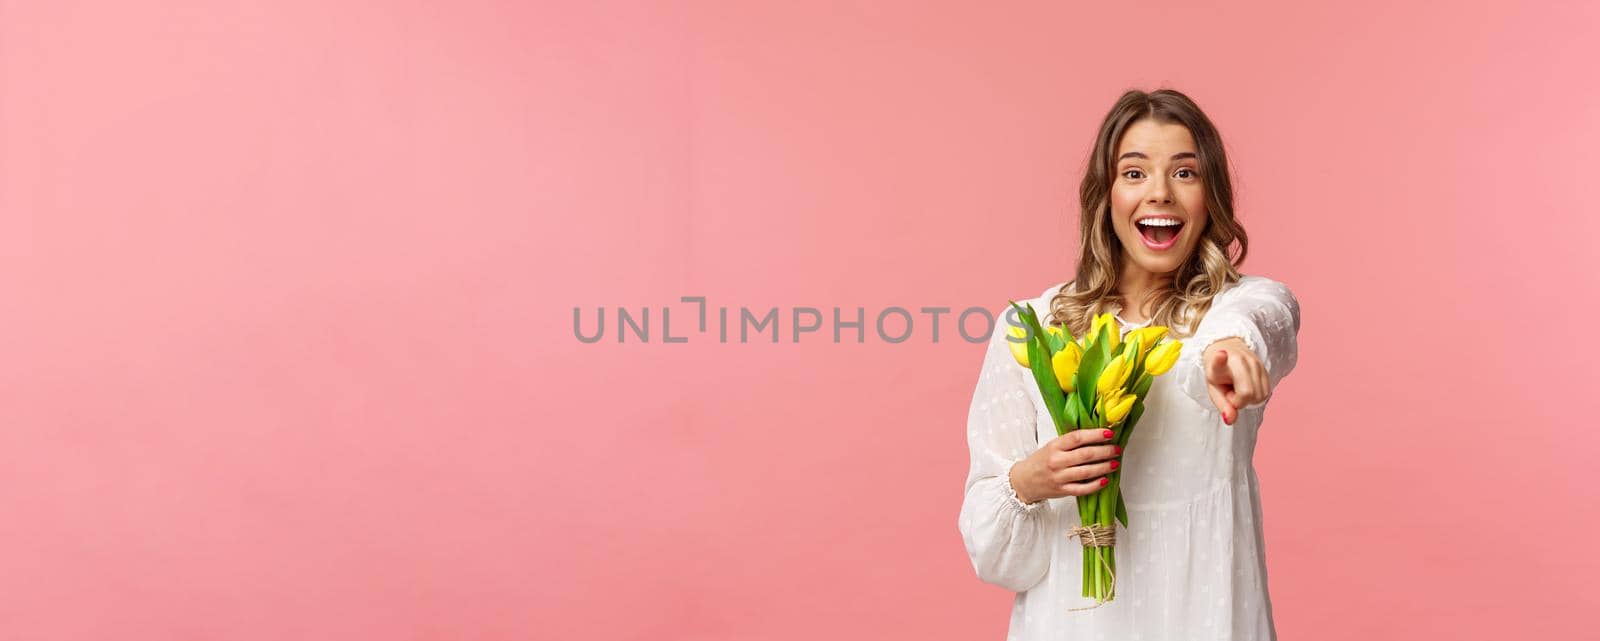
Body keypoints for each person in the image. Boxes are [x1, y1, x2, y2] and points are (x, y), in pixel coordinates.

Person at [957, 88, 1302, 640]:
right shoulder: (1032, 326)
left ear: (1210, 194)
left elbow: (1256, 326)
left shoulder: (1239, 307)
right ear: (1106, 194)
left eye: (1185, 173)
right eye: (1135, 173)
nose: (1160, 193)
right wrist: (1029, 481)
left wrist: (1228, 354)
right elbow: (996, 560)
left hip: (1204, 618)